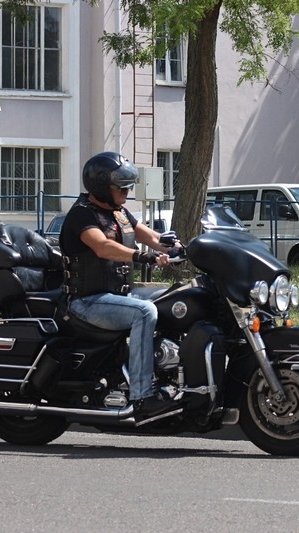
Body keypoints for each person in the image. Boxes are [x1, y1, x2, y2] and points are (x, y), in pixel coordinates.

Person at [60, 151, 181, 422]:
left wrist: (180, 246)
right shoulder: (82, 215)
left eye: (128, 186)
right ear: (102, 187)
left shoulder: (119, 213)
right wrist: (141, 256)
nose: (127, 192)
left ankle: (171, 373)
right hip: (88, 301)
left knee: (175, 298)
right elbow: (102, 247)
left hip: (117, 296)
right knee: (144, 312)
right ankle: (142, 395)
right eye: (121, 187)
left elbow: (149, 235)